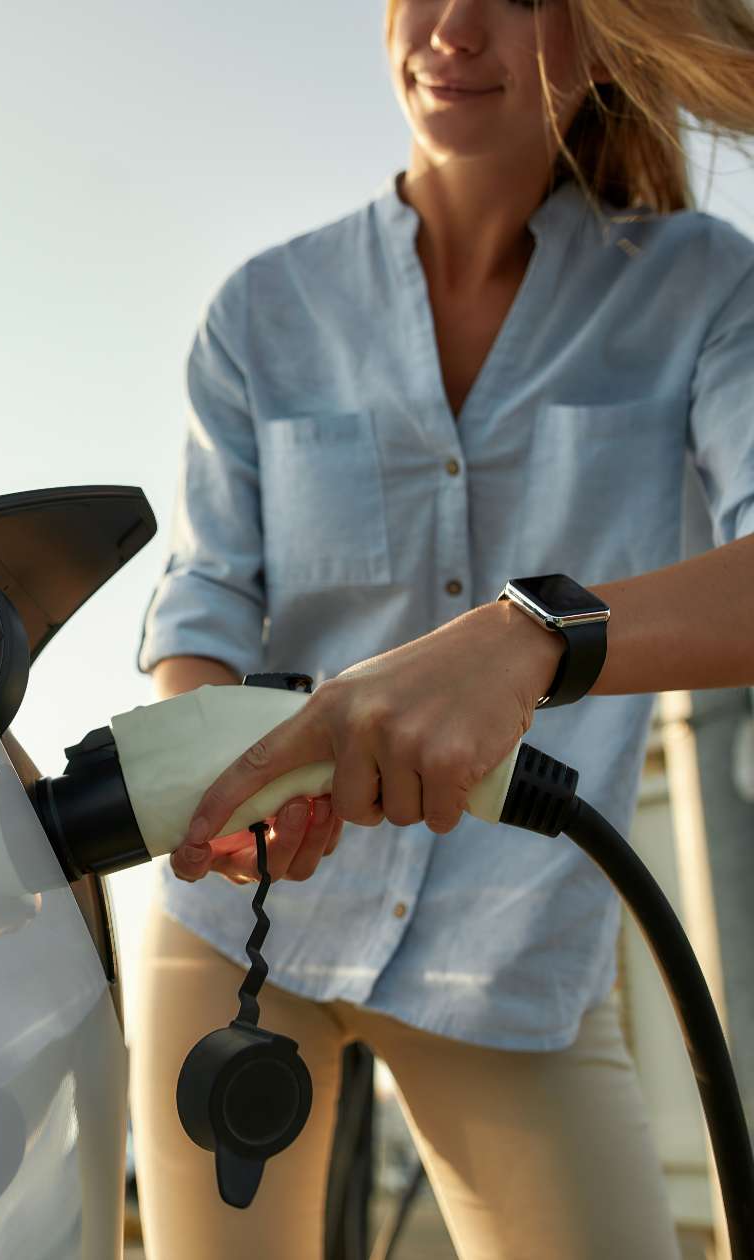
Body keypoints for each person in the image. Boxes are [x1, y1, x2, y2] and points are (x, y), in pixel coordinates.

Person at [131, 0, 754, 1256]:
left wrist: (534, 638)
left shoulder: (701, 288)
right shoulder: (264, 308)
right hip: (237, 931)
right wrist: (212, 782)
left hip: (515, 937)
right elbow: (206, 596)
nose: (454, 27)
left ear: (603, 32)